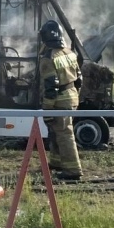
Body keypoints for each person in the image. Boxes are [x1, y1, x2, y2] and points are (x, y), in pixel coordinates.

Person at [39, 20, 83, 181]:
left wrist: (47, 110)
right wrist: (73, 96)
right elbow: (79, 79)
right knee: (56, 131)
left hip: (59, 101)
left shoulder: (48, 58)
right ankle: (56, 162)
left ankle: (73, 170)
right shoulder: (70, 53)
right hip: (71, 97)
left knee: (64, 134)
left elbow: (51, 87)